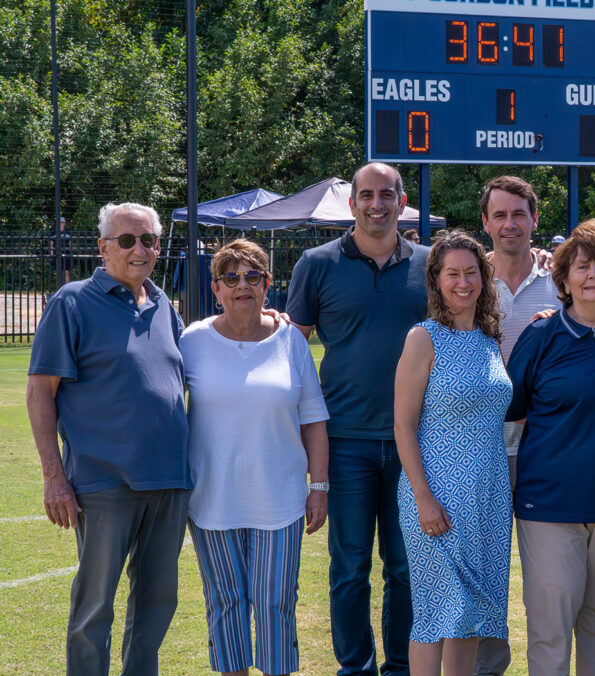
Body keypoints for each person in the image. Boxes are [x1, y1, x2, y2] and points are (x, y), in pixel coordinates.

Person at [27, 201, 191, 675]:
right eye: (127, 240)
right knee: (95, 604)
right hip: (102, 483)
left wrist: (272, 322)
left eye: (149, 240)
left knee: (157, 602)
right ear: (103, 248)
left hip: (170, 481)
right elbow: (40, 393)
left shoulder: (164, 306)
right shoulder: (72, 302)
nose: (139, 249)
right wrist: (54, 477)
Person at [287, 162, 428, 676]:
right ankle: (355, 668)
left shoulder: (430, 264)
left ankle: (400, 668)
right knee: (349, 569)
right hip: (344, 441)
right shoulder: (316, 264)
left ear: (401, 200)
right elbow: (292, 348)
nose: (376, 204)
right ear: (352, 203)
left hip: (416, 441)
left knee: (407, 570)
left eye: (385, 195)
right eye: (365, 195)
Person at [505, 220, 595, 676]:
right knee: (550, 627)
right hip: (550, 502)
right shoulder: (541, 335)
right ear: (564, 279)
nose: (592, 274)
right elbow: (510, 407)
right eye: (582, 266)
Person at [180, 238, 330, 676]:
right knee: (225, 603)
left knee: (276, 602)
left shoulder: (291, 341)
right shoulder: (192, 340)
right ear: (216, 289)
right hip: (212, 499)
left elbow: (314, 420)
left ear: (268, 285)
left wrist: (318, 487)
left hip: (280, 499)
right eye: (231, 278)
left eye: (252, 277)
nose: (242, 286)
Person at [393, 230, 513, 676]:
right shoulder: (423, 338)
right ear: (436, 280)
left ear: (484, 277)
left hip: (488, 498)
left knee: (470, 617)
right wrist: (424, 498)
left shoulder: (488, 340)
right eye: (452, 274)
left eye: (471, 272)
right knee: (434, 615)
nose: (463, 282)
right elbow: (402, 424)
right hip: (435, 497)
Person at [476, 175, 561, 675]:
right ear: (485, 222)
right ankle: (488, 667)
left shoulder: (560, 280)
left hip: (543, 444)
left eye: (519, 214)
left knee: (545, 572)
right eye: (500, 215)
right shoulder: (464, 276)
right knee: (485, 568)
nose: (510, 223)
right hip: (479, 444)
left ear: (534, 219)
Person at [52, 215, 73, 283]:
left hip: (66, 253)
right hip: (57, 253)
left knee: (67, 271)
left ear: (64, 223)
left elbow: (70, 243)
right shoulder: (53, 233)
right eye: (60, 222)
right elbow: (51, 244)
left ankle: (67, 286)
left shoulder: (68, 232)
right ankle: (59, 286)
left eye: (63, 222)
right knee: (58, 271)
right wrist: (51, 252)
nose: (61, 224)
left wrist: (70, 251)